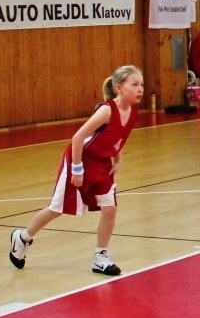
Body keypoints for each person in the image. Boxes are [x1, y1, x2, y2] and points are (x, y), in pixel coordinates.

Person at [8, 66, 144, 277]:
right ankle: (23, 237)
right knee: (57, 209)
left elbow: (119, 137)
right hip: (78, 159)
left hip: (102, 163)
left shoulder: (133, 112)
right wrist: (77, 169)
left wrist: (117, 158)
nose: (140, 89)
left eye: (141, 84)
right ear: (118, 88)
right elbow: (78, 138)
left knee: (110, 208)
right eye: (134, 84)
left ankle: (100, 256)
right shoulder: (107, 111)